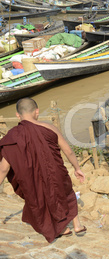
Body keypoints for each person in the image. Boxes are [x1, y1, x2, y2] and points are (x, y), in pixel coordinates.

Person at [0, 98, 86, 243]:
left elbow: (4, 168)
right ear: (37, 112)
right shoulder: (49, 128)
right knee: (67, 194)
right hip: (57, 172)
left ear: (17, 115)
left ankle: (63, 229)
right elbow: (68, 151)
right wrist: (77, 168)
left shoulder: (13, 136)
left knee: (44, 198)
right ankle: (77, 226)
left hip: (33, 177)